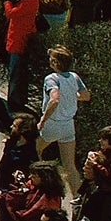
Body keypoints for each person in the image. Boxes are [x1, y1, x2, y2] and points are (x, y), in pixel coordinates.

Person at [38, 46, 89, 191]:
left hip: (52, 124)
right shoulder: (74, 77)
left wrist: (42, 120)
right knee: (70, 165)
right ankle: (78, 199)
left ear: (55, 62)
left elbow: (54, 100)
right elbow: (86, 96)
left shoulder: (51, 78)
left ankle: (43, 186)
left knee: (34, 152)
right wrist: (71, 97)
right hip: (68, 126)